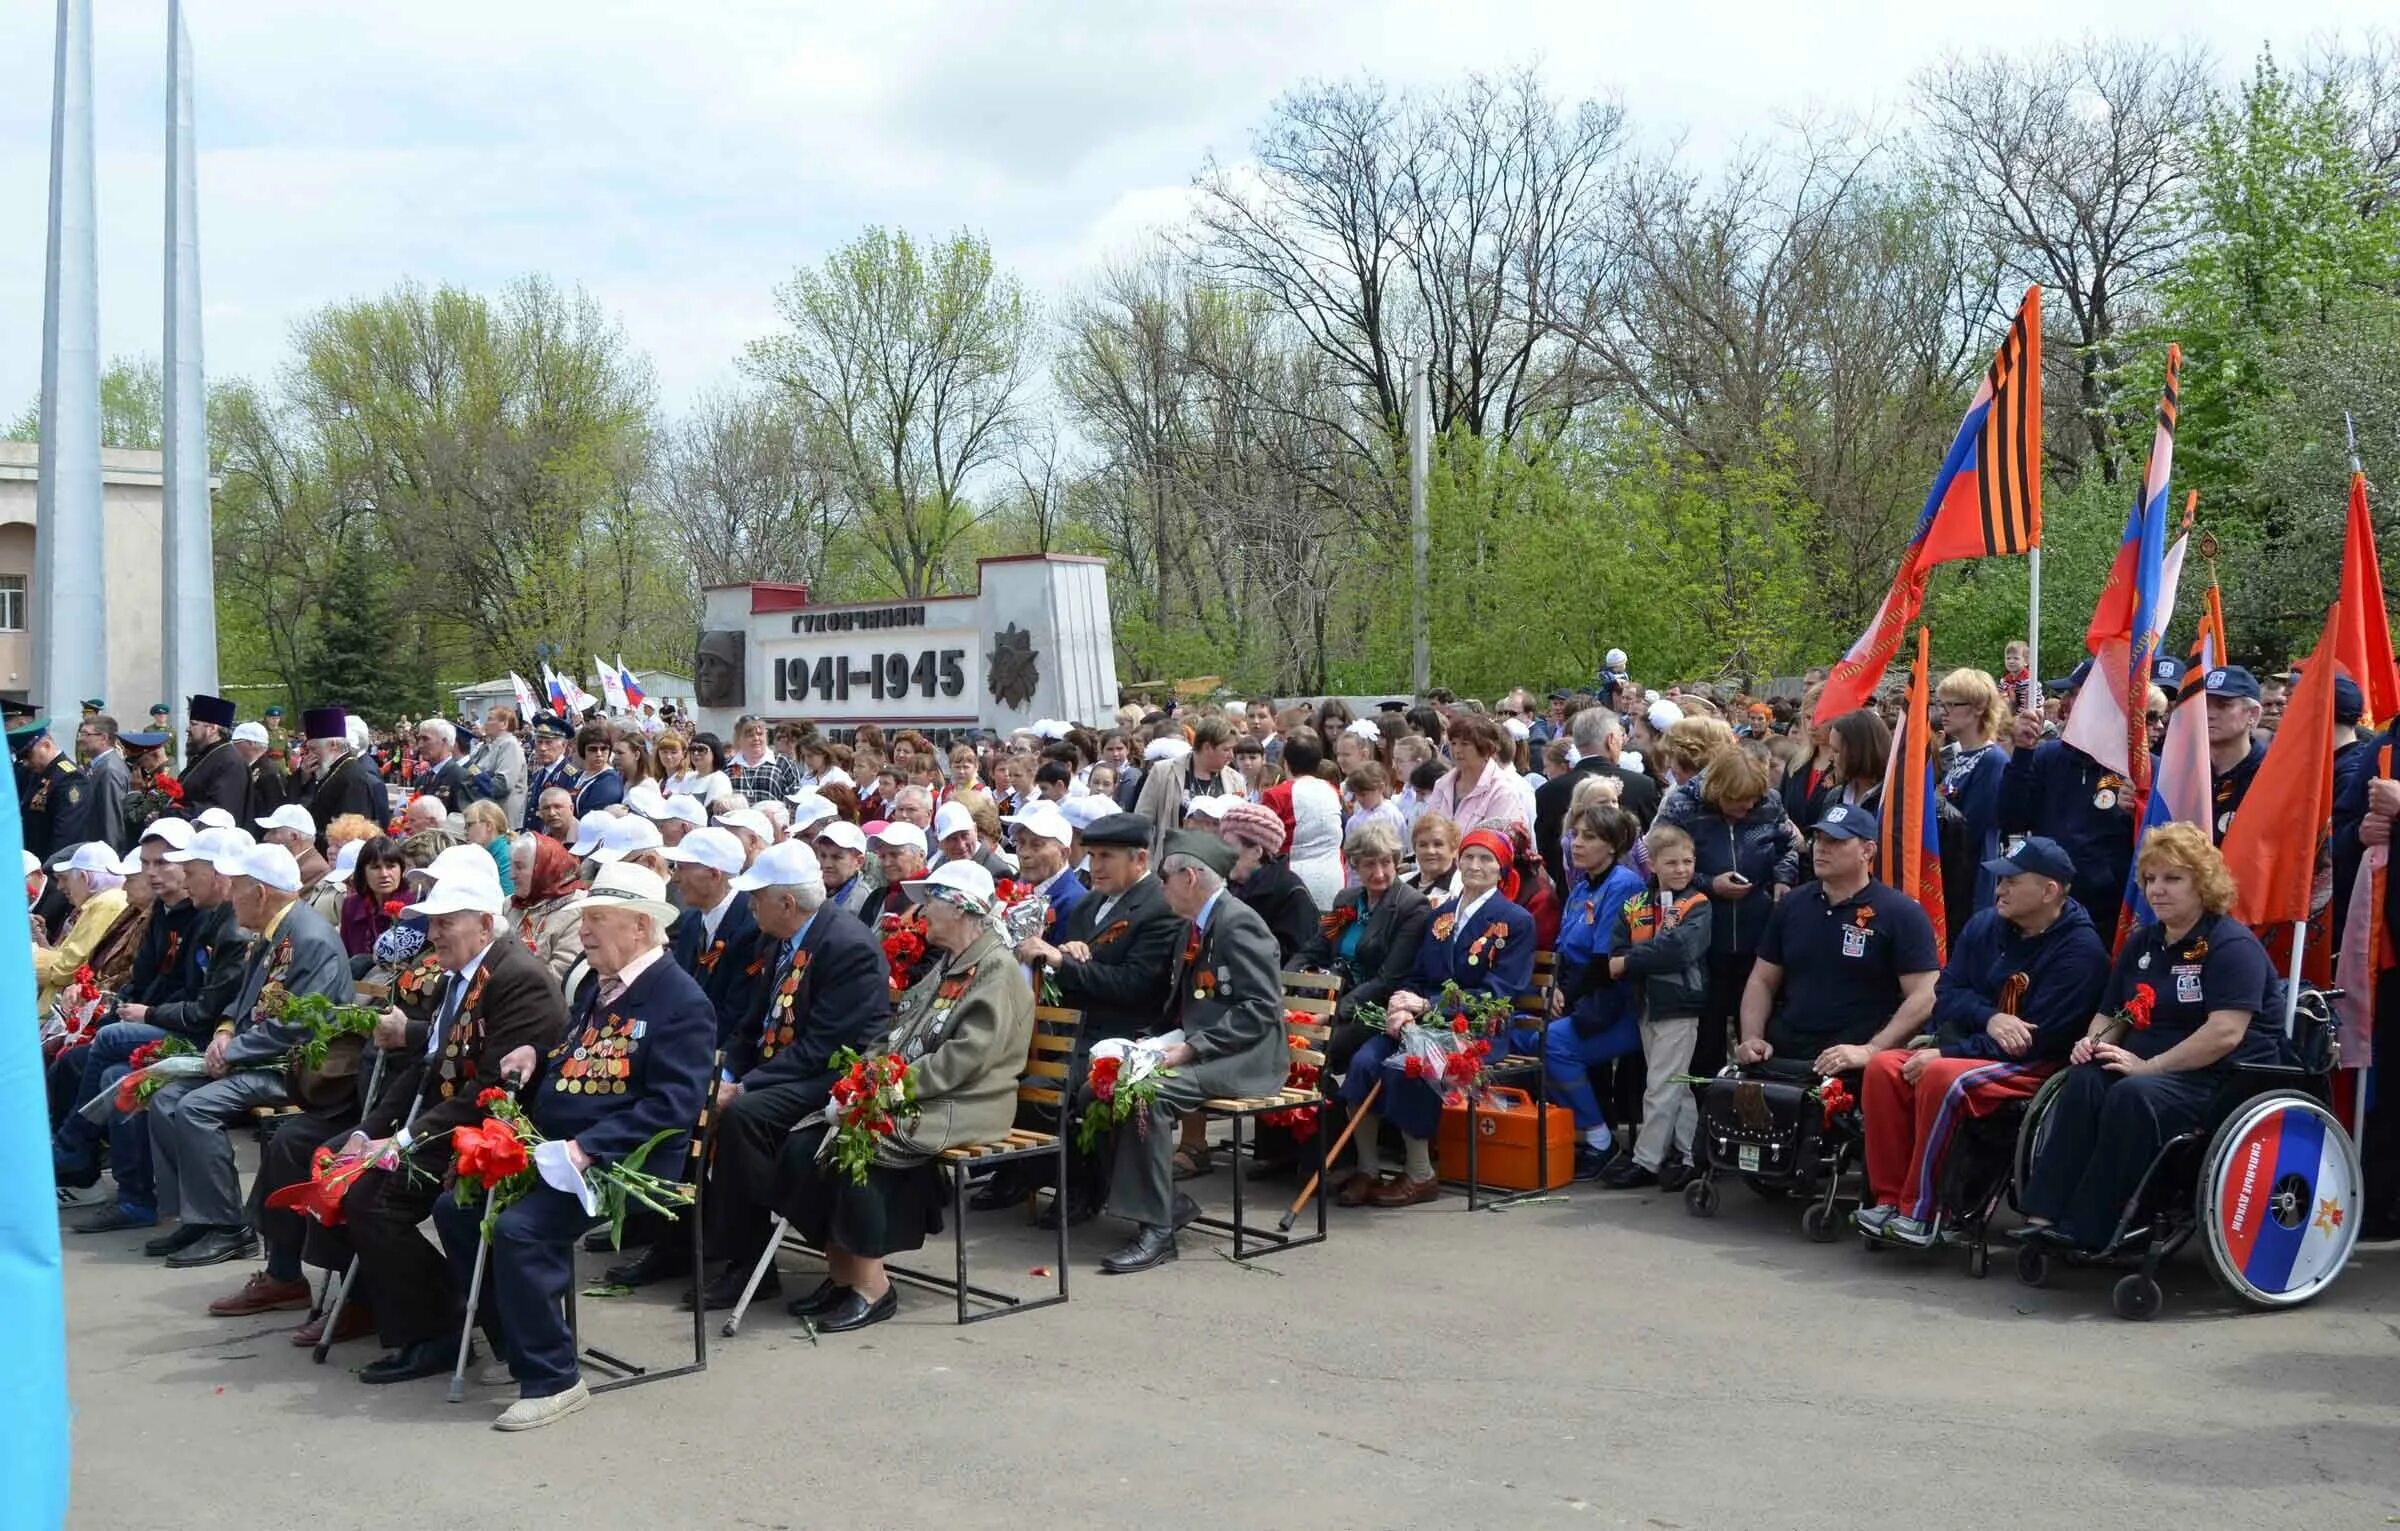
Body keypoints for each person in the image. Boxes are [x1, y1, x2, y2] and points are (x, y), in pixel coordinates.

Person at [431, 861, 713, 1430]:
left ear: (640, 927)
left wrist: (587, 1149)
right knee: (456, 1207)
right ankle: (519, 1342)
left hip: (624, 1162)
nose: (584, 930)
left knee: (521, 1229)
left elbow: (671, 1107)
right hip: (557, 1150)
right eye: (584, 918)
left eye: (598, 919)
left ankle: (554, 1377)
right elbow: (576, 1058)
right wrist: (537, 1057)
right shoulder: (600, 987)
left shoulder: (677, 999)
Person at [762, 860, 1031, 1332]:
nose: (920, 910)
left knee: (855, 1148)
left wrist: (883, 1091)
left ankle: (873, 1287)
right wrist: (864, 1074)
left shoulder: (996, 968)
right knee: (805, 1143)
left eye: (931, 900)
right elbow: (899, 1030)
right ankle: (843, 1275)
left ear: (962, 908)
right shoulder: (952, 961)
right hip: (916, 1094)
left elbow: (966, 1060)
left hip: (968, 1103)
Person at [332, 855, 569, 1384]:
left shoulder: (518, 978)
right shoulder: (460, 975)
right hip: (454, 1121)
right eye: (432, 923)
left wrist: (402, 1140)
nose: (433, 934)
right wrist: (369, 1130)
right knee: (340, 1166)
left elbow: (489, 1093)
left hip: (499, 1132)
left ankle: (436, 1329)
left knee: (373, 1197)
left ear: (484, 924)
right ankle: (414, 1307)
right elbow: (425, 1068)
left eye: (445, 923)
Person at [2018, 824, 2277, 1253]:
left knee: (2131, 1094)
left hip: (2218, 1077)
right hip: (2146, 1067)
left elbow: (2225, 1032)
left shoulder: (2231, 945)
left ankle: (2094, 1226)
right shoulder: (2145, 942)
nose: (2157, 889)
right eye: (2151, 879)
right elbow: (2113, 1011)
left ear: (2203, 884)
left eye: (2173, 879)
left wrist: (2149, 1067)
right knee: (2083, 1080)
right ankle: (2042, 1213)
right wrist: (2092, 1042)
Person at [1855, 836, 2109, 1245]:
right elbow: (1947, 992)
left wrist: (1951, 1052)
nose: (1999, 889)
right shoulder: (1985, 924)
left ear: (2049, 891)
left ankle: (1925, 1212)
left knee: (1941, 1077)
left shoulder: (2080, 951)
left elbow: (2034, 1040)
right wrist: (1989, 1018)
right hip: (1972, 1046)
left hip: (2035, 1065)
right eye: (1999, 880)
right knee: (1884, 1067)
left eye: (2012, 881)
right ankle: (1889, 1199)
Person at [682, 841, 892, 1307]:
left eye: (757, 898)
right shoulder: (775, 938)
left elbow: (825, 1048)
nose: (750, 905)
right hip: (787, 1066)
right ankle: (687, 1241)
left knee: (745, 1115)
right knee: (694, 1094)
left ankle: (748, 1258)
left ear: (787, 903)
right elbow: (750, 1025)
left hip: (835, 1075)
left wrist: (745, 1086)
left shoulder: (847, 946)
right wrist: (725, 1072)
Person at [143, 843, 350, 1267]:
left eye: (236, 887)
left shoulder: (309, 937)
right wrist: (224, 1031)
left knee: (196, 1108)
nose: (229, 894)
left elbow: (302, 1026)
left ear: (260, 892)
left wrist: (232, 1050)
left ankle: (228, 1228)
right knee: (165, 1099)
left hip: (293, 1068)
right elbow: (244, 997)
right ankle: (200, 1216)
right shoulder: (276, 931)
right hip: (256, 1055)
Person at [1096, 831, 1291, 1270]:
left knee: (1148, 1095)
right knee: (1104, 1084)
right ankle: (1165, 1203)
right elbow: (1184, 1003)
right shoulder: (1195, 923)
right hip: (1207, 1049)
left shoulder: (1237, 922)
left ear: (1189, 876)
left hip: (1247, 1059)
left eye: (1164, 878)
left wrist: (1190, 1050)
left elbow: (1260, 1009)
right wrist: (1148, 1043)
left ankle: (1159, 1232)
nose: (1159, 886)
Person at [1333, 826, 1535, 1207]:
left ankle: (1421, 1174)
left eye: (1486, 859)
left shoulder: (1515, 920)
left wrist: (1429, 1007)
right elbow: (1418, 975)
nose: (1475, 866)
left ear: (1502, 869)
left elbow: (1500, 994)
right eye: (1469, 857)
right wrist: (1402, 1004)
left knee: (1406, 1066)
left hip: (1476, 1028)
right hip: (1421, 1023)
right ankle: (1369, 1168)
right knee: (1363, 1061)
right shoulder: (1441, 914)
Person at [1009, 812, 1182, 1218]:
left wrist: (1067, 963)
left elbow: (1136, 985)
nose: (1095, 866)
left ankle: (1084, 1184)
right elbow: (1076, 972)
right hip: (1078, 1029)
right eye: (1091, 855)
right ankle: (1034, 1176)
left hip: (1129, 1035)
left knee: (1058, 1089)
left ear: (1139, 860)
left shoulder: (1157, 908)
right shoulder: (1090, 905)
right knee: (1016, 1080)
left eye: (1107, 856)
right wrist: (1067, 957)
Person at [1733, 805, 1939, 1080]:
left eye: (1836, 841)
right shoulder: (1792, 903)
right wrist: (1752, 1037)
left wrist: (1872, 1049)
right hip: (1784, 1052)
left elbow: (1925, 994)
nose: (1821, 848)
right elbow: (1762, 979)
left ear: (1867, 850)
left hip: (1851, 1058)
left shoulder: (1900, 913)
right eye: (1818, 839)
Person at [1660, 743, 1800, 1083]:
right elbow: (1661, 864)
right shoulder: (1682, 805)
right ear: (1718, 791)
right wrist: (1709, 883)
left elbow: (1790, 849)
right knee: (1706, 1038)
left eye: (1753, 801)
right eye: (1738, 803)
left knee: (1760, 1032)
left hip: (1758, 934)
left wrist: (1782, 878)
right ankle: (1708, 1111)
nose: (1747, 808)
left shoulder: (1769, 803)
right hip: (1703, 940)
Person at [1594, 821, 1712, 1189]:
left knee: (1661, 1084)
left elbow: (1680, 950)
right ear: (1654, 865)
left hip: (1680, 1002)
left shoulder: (1698, 903)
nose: (1682, 870)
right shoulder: (1636, 904)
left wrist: (1630, 961)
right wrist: (1629, 958)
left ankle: (1646, 1160)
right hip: (1645, 1003)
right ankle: (1693, 1155)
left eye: (1688, 862)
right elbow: (1615, 948)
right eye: (1673, 862)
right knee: (1675, 1084)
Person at [1538, 806, 1651, 1178]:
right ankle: (1564, 1133)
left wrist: (1565, 996)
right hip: (1578, 996)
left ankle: (1601, 1141)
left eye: (1590, 836)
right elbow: (1562, 951)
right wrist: (1553, 991)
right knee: (1522, 1035)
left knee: (1552, 1042)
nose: (1577, 843)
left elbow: (1605, 961)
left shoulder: (1624, 885)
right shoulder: (1582, 887)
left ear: (1614, 845)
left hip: (1617, 1007)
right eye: (1576, 834)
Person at [1999, 660, 2136, 934]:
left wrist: (2136, 813)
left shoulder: (2137, 767)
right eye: (2067, 695)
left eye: (2075, 695)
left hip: (2111, 917)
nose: (2065, 703)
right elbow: (2010, 818)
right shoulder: (2046, 757)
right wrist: (2022, 754)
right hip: (2049, 911)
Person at [1298, 821, 1432, 1042]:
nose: (1379, 873)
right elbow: (1316, 949)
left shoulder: (1412, 906)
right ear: (1355, 865)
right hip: (1332, 991)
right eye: (1369, 864)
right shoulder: (1347, 900)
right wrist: (1286, 987)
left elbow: (1386, 981)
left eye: (1386, 863)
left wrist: (1330, 1014)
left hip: (1371, 1008)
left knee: (1312, 1044)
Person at [1534, 707, 1660, 891]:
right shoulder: (1641, 785)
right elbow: (1653, 842)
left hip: (1570, 896)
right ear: (1610, 740)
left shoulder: (1548, 791)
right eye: (1619, 738)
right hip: (1632, 901)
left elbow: (1546, 852)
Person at [660, 826, 761, 1051]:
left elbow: (736, 1013)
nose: (675, 878)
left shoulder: (752, 928)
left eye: (682, 868)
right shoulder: (691, 921)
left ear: (715, 875)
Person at [1933, 667, 2011, 917]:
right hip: (1946, 868)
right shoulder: (1953, 755)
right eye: (1940, 704)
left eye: (1952, 705)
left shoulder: (1992, 760)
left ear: (1978, 707)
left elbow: (1971, 828)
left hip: (1969, 874)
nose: (1943, 713)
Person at [33, 841, 130, 1012]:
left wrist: (25, 956)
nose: (60, 886)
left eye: (65, 879)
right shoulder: (100, 903)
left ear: (85, 878)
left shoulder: (107, 903)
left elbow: (64, 968)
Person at [1218, 801, 1319, 962]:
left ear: (1257, 852)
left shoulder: (1291, 893)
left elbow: (1295, 957)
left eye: (1230, 848)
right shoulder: (1226, 889)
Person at [1423, 713, 1530, 839]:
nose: (1457, 750)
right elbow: (1428, 831)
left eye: (1465, 744)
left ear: (1486, 748)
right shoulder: (1442, 784)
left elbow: (1497, 844)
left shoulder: (1502, 790)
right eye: (1453, 743)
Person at [12, 719, 95, 863]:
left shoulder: (70, 778)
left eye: (28, 755)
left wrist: (51, 873)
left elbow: (66, 835)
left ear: (46, 745)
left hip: (52, 869)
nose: (25, 763)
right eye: (21, 758)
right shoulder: (36, 773)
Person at [511, 832, 586, 985]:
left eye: (519, 867)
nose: (512, 875)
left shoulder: (575, 910)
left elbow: (560, 975)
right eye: (512, 865)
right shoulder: (511, 904)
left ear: (544, 869)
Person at [2202, 665, 2268, 838]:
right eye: (2203, 703)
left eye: (2223, 705)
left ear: (2253, 714)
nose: (2209, 714)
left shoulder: (2271, 775)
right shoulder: (2185, 773)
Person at [1000, 800, 1085, 934]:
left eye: (1036, 845)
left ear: (1063, 853)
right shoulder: (1019, 885)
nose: (1024, 853)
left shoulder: (1076, 905)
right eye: (1020, 842)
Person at [341, 836, 411, 960]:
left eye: (390, 866)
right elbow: (345, 955)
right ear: (363, 871)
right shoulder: (351, 906)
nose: (384, 874)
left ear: (402, 869)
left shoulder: (413, 905)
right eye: (376, 867)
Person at [74, 713, 130, 852]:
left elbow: (111, 820)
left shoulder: (109, 771)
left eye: (86, 734)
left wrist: (110, 858)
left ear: (103, 738)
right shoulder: (98, 766)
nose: (80, 739)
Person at [466, 705, 529, 828]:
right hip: (488, 817)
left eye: (490, 719)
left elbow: (501, 786)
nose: (485, 723)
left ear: (504, 724)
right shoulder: (489, 746)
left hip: (503, 821)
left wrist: (473, 773)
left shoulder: (509, 745)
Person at [520, 715, 579, 833]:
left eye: (548, 743)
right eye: (539, 742)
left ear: (563, 746)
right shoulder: (538, 774)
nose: (542, 748)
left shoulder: (571, 775)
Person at [931, 800, 1014, 881]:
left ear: (975, 830)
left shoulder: (997, 872)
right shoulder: (940, 866)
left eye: (965, 835)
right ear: (941, 843)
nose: (961, 845)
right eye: (952, 838)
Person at [411, 718, 472, 815]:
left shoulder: (461, 777)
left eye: (426, 739)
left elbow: (464, 820)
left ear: (445, 741)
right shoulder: (421, 780)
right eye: (419, 739)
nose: (420, 745)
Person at [569, 723, 623, 816]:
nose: (599, 754)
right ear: (583, 751)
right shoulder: (579, 775)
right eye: (593, 749)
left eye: (604, 749)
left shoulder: (609, 781)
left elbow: (590, 816)